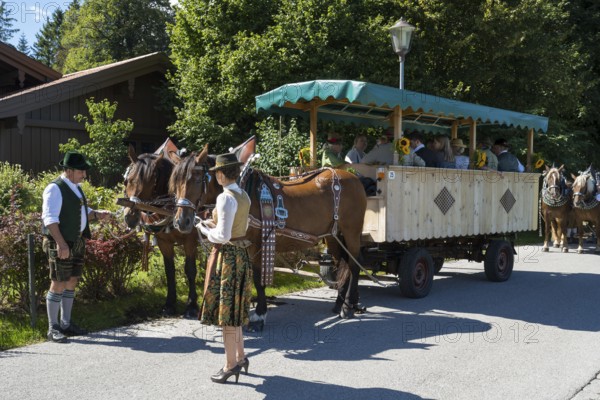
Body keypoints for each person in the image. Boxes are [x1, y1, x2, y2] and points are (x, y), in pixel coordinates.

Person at [42, 150, 112, 343]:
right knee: (58, 282)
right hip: (61, 242)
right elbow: (49, 219)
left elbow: (81, 212)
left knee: (72, 281)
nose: (85, 175)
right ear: (70, 170)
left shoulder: (75, 186)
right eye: (82, 171)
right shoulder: (55, 188)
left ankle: (66, 323)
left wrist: (97, 214)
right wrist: (61, 243)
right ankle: (53, 328)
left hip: (77, 241)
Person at [196, 153, 253, 384]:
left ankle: (230, 365)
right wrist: (215, 224)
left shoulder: (224, 197)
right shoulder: (244, 195)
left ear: (220, 174)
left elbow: (222, 235)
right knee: (236, 311)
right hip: (241, 254)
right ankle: (240, 357)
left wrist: (203, 228)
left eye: (216, 173)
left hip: (227, 257)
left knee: (227, 314)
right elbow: (243, 225)